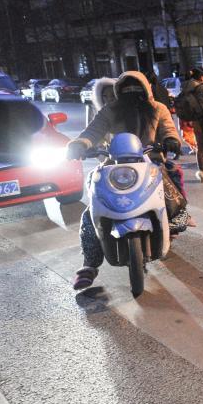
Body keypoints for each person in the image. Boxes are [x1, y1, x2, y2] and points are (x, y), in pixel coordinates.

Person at [65, 71, 182, 290]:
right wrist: (80, 144)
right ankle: (89, 265)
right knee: (92, 211)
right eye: (126, 90)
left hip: (151, 163)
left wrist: (171, 141)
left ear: (145, 89)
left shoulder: (158, 108)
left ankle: (175, 225)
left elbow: (168, 129)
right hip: (115, 165)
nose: (132, 93)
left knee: (174, 197)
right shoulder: (110, 110)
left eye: (136, 88)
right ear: (119, 92)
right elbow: (92, 132)